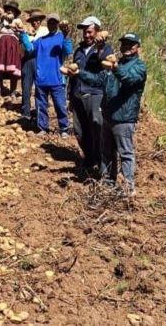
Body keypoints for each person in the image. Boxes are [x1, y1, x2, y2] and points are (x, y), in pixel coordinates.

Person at [86, 33, 147, 196]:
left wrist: (115, 68)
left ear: (137, 47)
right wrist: (79, 74)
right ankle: (107, 182)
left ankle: (128, 187)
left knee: (125, 153)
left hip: (124, 118)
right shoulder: (116, 64)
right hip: (108, 116)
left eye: (130, 44)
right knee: (106, 152)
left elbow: (129, 80)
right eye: (124, 44)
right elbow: (97, 80)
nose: (126, 47)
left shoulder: (139, 66)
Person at [64, 16, 113, 176]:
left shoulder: (105, 49)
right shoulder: (79, 50)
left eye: (90, 32)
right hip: (78, 94)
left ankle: (102, 163)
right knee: (80, 131)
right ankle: (89, 159)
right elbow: (73, 75)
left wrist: (100, 47)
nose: (86, 35)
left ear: (97, 32)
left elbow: (106, 64)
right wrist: (70, 97)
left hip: (95, 94)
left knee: (97, 128)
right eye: (85, 32)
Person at [19, 13, 73, 136]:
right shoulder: (41, 40)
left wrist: (66, 36)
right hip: (41, 79)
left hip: (57, 79)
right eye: (50, 22)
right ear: (47, 24)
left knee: (60, 105)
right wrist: (22, 33)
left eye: (54, 22)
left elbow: (68, 50)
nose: (52, 24)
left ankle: (64, 129)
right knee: (41, 105)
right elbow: (29, 48)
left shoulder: (61, 37)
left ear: (58, 24)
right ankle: (42, 127)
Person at [0, 1, 23, 98]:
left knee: (13, 68)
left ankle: (13, 91)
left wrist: (13, 27)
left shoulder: (18, 21)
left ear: (15, 13)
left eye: (12, 10)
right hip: (1, 45)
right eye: (8, 10)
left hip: (13, 46)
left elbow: (21, 34)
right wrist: (2, 22)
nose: (9, 12)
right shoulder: (0, 20)